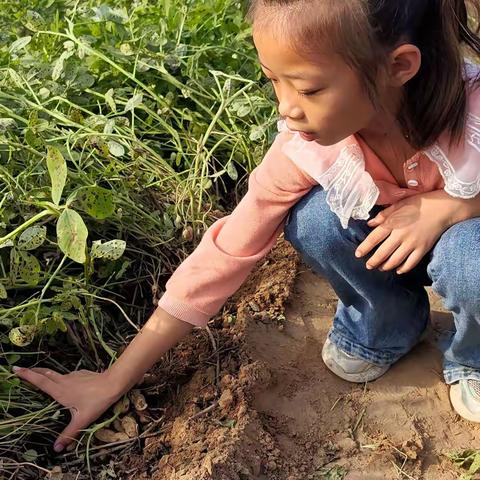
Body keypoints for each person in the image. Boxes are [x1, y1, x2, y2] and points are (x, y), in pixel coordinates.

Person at [13, 0, 480, 453]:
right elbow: (228, 249)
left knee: (469, 256)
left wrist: (452, 206)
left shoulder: (473, 110)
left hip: (464, 250)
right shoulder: (309, 146)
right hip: (388, 251)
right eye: (274, 82)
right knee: (314, 218)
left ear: (399, 66)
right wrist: (115, 378)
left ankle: (472, 355)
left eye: (309, 89)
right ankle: (386, 321)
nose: (287, 110)